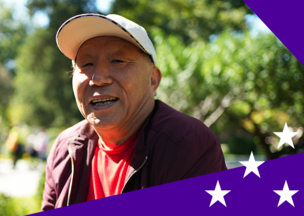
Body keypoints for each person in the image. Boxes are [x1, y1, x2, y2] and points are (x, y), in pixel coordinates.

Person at [42, 14, 227, 211]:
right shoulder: (65, 148)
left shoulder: (189, 144)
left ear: (153, 80)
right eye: (86, 64)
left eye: (118, 61)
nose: (98, 78)